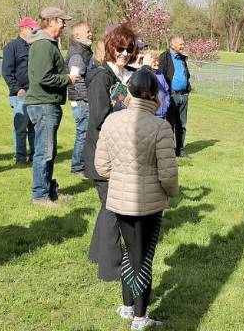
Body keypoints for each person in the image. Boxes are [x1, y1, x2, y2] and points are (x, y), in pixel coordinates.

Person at [94, 65, 179, 330]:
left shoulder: (112, 121)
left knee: (131, 253)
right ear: (154, 95)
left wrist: (120, 177)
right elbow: (168, 174)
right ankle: (140, 318)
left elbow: (102, 166)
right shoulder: (160, 127)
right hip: (148, 203)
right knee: (142, 257)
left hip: (120, 201)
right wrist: (171, 192)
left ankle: (128, 306)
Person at [84, 24, 139, 285]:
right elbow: (98, 118)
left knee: (108, 207)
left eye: (129, 49)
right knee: (113, 209)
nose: (125, 53)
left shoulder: (117, 75)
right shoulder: (100, 77)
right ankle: (111, 268)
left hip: (113, 153)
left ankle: (97, 254)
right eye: (120, 48)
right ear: (109, 47)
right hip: (102, 155)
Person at [25, 7, 79, 207]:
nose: (64, 25)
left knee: (49, 151)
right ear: (51, 21)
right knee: (44, 152)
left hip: (48, 103)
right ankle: (40, 196)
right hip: (43, 104)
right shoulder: (43, 45)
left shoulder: (48, 44)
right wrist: (68, 78)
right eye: (62, 21)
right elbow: (43, 77)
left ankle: (49, 190)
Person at [2, 17, 38, 166]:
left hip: (35, 91)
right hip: (21, 94)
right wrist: (17, 89)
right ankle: (20, 158)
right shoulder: (12, 47)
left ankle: (35, 156)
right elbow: (6, 72)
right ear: (23, 29)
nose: (34, 32)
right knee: (21, 127)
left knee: (34, 127)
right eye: (32, 29)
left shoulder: (34, 46)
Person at [66, 22, 94, 177]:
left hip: (83, 99)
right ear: (77, 36)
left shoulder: (84, 50)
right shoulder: (77, 54)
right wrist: (87, 98)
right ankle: (77, 168)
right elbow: (76, 79)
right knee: (83, 132)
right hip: (81, 100)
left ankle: (83, 165)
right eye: (87, 32)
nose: (90, 34)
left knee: (85, 132)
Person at [158, 35, 191, 158]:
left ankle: (180, 149)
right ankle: (169, 149)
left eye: (183, 44)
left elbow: (186, 75)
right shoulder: (164, 57)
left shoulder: (182, 58)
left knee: (181, 125)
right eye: (181, 44)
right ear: (172, 45)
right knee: (169, 124)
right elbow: (161, 77)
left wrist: (187, 91)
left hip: (183, 96)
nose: (183, 46)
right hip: (170, 97)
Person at [146, 51, 170, 119]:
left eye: (158, 60)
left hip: (162, 113)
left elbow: (166, 90)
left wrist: (166, 103)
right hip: (150, 114)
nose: (157, 63)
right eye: (154, 61)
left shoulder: (160, 73)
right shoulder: (145, 75)